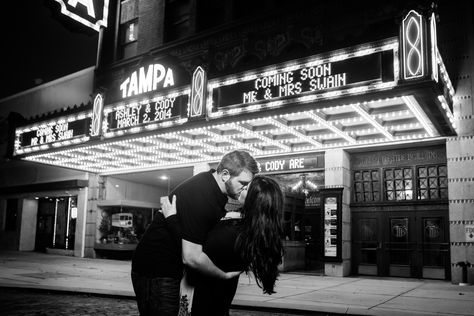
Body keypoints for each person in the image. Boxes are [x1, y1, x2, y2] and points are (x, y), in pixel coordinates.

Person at [131, 150, 259, 316]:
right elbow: (192, 257)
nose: (244, 189)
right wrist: (223, 275)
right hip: (156, 270)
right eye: (242, 182)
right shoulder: (203, 196)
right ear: (225, 175)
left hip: (171, 268)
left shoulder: (213, 191)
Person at [162, 175, 285, 316]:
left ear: (255, 199)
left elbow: (192, 253)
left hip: (205, 303)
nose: (241, 188)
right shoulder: (251, 232)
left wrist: (171, 220)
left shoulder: (233, 234)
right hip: (219, 301)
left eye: (246, 188)